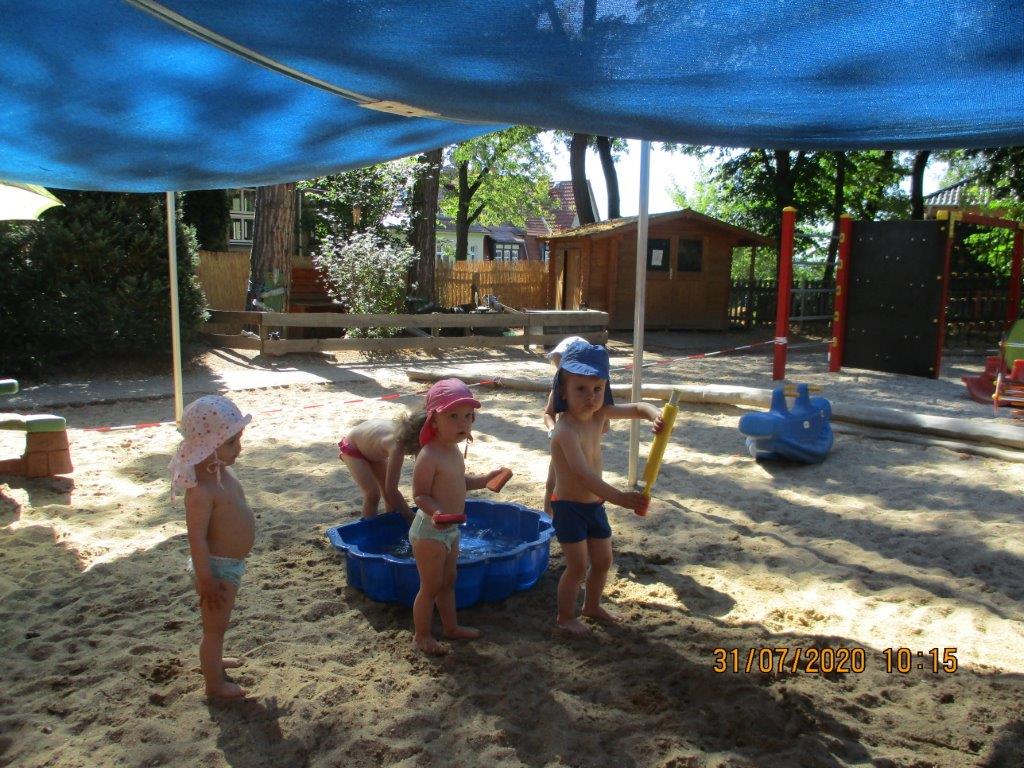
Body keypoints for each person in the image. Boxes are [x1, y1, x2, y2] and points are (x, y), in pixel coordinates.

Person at [549, 341, 664, 635]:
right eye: (581, 389)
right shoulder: (564, 429)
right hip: (570, 508)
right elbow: (584, 475)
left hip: (594, 506)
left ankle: (591, 606)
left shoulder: (600, 415)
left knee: (602, 561)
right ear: (562, 390)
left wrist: (654, 414)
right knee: (577, 567)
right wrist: (620, 498)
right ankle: (565, 617)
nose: (591, 397)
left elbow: (638, 408)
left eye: (598, 388)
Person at [409, 378, 508, 655]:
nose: (462, 423)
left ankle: (450, 627)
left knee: (448, 581)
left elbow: (458, 482)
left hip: (451, 529)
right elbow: (419, 495)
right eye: (453, 416)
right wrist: (436, 512)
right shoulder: (428, 455)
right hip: (429, 531)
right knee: (430, 586)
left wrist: (483, 480)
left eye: (468, 416)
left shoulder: (453, 450)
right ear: (434, 420)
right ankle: (421, 636)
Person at [169, 395, 254, 699]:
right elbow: (196, 538)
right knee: (214, 629)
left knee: (219, 625)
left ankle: (214, 662)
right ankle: (214, 685)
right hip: (215, 568)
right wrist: (205, 578)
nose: (239, 449)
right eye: (231, 443)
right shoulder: (200, 491)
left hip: (228, 564)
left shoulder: (222, 473)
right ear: (207, 447)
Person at [338, 409, 428, 522]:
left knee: (387, 494)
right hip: (353, 448)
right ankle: (369, 529)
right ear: (417, 439)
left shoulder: (419, 441)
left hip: (373, 450)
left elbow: (421, 474)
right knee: (372, 494)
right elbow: (392, 489)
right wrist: (412, 518)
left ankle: (390, 523)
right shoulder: (397, 446)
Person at [542, 336, 588, 515]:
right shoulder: (558, 389)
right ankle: (547, 518)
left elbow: (604, 423)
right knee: (552, 481)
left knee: (585, 482)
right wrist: (552, 428)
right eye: (557, 368)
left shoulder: (593, 393)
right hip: (562, 444)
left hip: (584, 447)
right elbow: (548, 413)